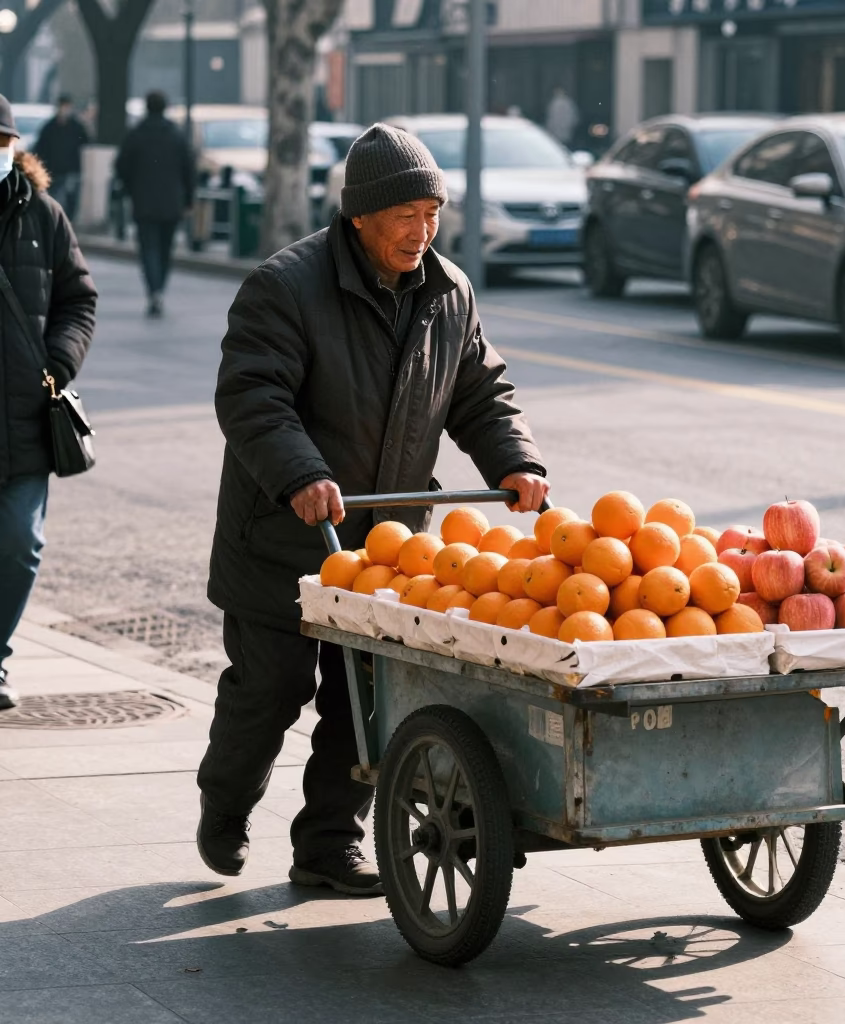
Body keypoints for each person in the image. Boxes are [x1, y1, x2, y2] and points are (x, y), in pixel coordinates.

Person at [198, 123, 549, 894]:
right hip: (282, 539)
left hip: (385, 552)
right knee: (270, 692)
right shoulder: (284, 287)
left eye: (433, 213)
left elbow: (480, 394)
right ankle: (224, 805)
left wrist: (516, 460)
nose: (422, 231)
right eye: (405, 216)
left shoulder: (449, 293)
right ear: (360, 216)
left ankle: (328, 844)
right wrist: (301, 475)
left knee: (363, 704)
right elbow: (252, 397)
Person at [0, 95, 97, 711]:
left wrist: (58, 363)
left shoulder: (45, 216)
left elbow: (78, 300)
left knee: (18, 543)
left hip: (26, 419)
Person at [115, 91, 194, 318]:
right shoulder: (176, 135)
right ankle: (160, 287)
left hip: (143, 202)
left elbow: (122, 166)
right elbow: (189, 169)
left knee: (148, 248)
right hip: (172, 203)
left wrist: (131, 189)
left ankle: (154, 290)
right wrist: (188, 199)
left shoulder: (136, 135)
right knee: (166, 249)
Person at [32, 95, 90, 221]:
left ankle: (68, 221)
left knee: (71, 200)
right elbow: (40, 148)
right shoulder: (49, 127)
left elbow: (86, 143)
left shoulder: (76, 127)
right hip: (53, 169)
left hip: (72, 169)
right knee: (53, 198)